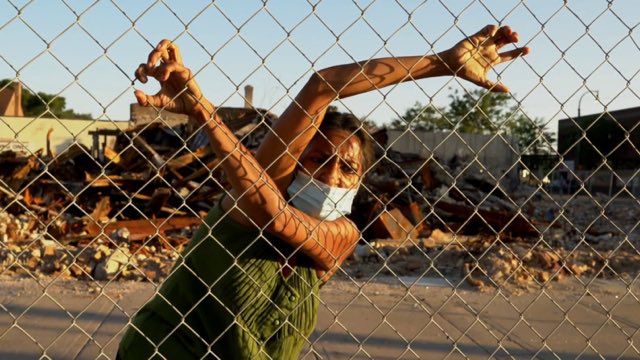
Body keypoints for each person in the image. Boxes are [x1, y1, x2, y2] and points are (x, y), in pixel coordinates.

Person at [117, 24, 529, 359]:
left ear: (359, 182)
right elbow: (321, 88)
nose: (331, 174)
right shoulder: (247, 204)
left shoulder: (342, 234)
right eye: (317, 159)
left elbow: (281, 218)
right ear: (294, 164)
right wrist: (440, 63)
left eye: (348, 167)